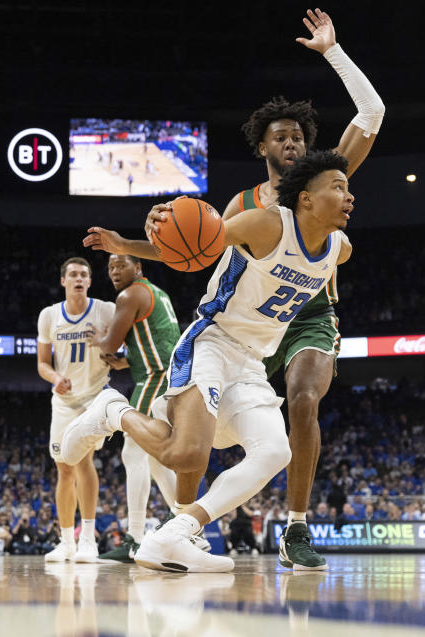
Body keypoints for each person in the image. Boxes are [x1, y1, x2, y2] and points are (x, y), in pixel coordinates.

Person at [73, 150, 353, 572]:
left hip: (252, 363)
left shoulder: (340, 249)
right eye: (338, 187)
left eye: (348, 188)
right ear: (306, 200)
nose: (349, 196)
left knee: (276, 451)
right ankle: (112, 410)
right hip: (212, 341)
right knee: (186, 456)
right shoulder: (267, 223)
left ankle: (177, 532)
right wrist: (131, 241)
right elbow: (196, 243)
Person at [219, 7, 383, 571]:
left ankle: (296, 527)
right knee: (208, 431)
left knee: (304, 398)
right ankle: (187, 522)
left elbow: (372, 111)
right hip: (249, 324)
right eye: (279, 135)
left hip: (311, 314)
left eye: (297, 135)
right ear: (261, 146)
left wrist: (332, 52)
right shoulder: (240, 207)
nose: (290, 141)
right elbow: (214, 271)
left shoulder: (323, 183)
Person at [89, 254, 181, 563]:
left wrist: (97, 339)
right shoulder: (158, 293)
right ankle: (186, 525)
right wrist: (126, 361)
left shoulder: (130, 295)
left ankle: (135, 538)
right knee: (155, 458)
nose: (114, 271)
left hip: (156, 377)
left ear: (138, 268)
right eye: (110, 267)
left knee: (133, 449)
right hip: (171, 373)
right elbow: (157, 339)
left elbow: (110, 343)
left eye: (121, 265)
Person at [36, 257, 116, 564]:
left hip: (94, 398)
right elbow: (43, 363)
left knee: (83, 461)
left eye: (84, 274)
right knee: (64, 469)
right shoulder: (49, 315)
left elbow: (124, 344)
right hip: (64, 402)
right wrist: (56, 378)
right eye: (73, 274)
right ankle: (66, 541)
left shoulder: (105, 310)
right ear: (64, 281)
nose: (79, 278)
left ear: (90, 281)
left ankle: (88, 540)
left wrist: (108, 345)